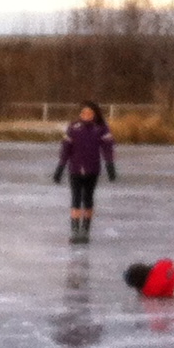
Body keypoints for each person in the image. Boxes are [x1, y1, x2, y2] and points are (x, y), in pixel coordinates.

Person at [52, 101, 117, 243]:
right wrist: (60, 167)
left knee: (88, 198)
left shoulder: (101, 128)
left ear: (94, 114)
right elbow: (66, 148)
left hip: (92, 169)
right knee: (76, 198)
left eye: (89, 113)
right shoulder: (73, 127)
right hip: (75, 169)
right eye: (84, 113)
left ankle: (85, 231)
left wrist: (110, 165)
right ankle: (75, 231)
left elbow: (107, 148)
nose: (86, 115)